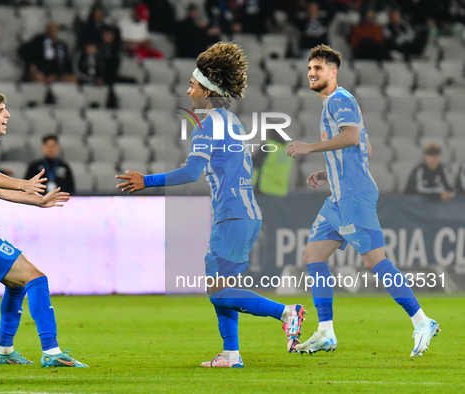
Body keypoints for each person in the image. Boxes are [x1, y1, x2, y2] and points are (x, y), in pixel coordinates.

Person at [115, 42, 306, 368]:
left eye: (192, 85)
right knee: (222, 286)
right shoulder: (232, 122)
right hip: (245, 215)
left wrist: (146, 181)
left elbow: (191, 171)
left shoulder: (208, 124)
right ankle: (231, 354)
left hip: (231, 217)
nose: (188, 92)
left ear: (208, 89)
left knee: (217, 291)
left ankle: (287, 312)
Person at [286, 44, 439, 357]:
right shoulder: (337, 103)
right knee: (313, 255)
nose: (312, 73)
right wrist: (329, 173)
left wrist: (310, 148)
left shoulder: (340, 99)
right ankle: (326, 331)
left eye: (319, 68)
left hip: (354, 195)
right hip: (340, 195)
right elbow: (363, 149)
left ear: (333, 71)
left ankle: (422, 320)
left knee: (374, 261)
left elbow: (353, 138)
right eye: (310, 68)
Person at [0, 90, 87, 367]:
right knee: (36, 279)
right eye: (0, 111)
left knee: (17, 286)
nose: (7, 115)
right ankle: (52, 352)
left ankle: (4, 351)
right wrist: (24, 183)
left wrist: (39, 201)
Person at [252, 130, 294, 196]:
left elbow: (253, 162)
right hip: (281, 190)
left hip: (264, 188)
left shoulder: (269, 146)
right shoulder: (288, 148)